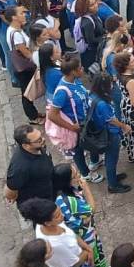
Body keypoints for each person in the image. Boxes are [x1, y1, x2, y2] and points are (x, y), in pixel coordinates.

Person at [52, 164, 108, 267]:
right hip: (84, 238)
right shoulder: (71, 202)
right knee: (90, 264)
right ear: (66, 181)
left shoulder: (60, 195)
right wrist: (87, 188)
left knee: (88, 264)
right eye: (74, 175)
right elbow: (91, 209)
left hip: (78, 236)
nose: (78, 176)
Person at [18, 198, 94, 267]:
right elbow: (74, 263)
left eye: (60, 211)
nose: (62, 215)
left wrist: (87, 248)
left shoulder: (46, 224)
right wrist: (87, 252)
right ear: (47, 223)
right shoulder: (56, 244)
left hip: (76, 259)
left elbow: (71, 234)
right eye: (57, 215)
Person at [49, 54, 104, 183]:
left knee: (91, 142)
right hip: (76, 126)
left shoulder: (75, 81)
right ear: (73, 71)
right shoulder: (62, 91)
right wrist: (71, 127)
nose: (82, 69)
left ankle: (95, 162)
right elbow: (52, 115)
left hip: (86, 121)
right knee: (78, 150)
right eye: (80, 68)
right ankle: (85, 174)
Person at [89, 73, 133, 193]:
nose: (112, 86)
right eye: (110, 84)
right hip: (109, 133)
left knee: (111, 158)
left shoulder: (92, 95)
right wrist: (124, 126)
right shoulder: (102, 104)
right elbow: (112, 120)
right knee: (111, 158)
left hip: (101, 130)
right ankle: (113, 185)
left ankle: (112, 177)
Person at [6, 5, 41, 123]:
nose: (24, 15)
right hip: (24, 68)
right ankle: (32, 116)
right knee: (27, 92)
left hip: (24, 67)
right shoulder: (15, 33)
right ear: (14, 17)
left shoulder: (17, 30)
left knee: (27, 91)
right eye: (21, 13)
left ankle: (34, 113)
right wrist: (38, 59)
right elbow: (26, 53)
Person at [4, 124, 54, 206]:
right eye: (38, 140)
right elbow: (10, 191)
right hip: (37, 202)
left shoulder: (38, 146)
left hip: (48, 187)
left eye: (41, 136)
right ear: (26, 145)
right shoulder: (20, 168)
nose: (43, 140)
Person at [112, 52, 134, 165]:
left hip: (125, 105)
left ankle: (132, 155)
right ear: (126, 65)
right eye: (132, 60)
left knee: (131, 133)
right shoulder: (131, 81)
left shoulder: (121, 75)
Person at [74, 0, 105, 70]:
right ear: (85, 8)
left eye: (95, 2)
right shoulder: (87, 22)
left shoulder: (93, 14)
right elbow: (91, 41)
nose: (96, 5)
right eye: (91, 5)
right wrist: (105, 37)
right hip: (91, 55)